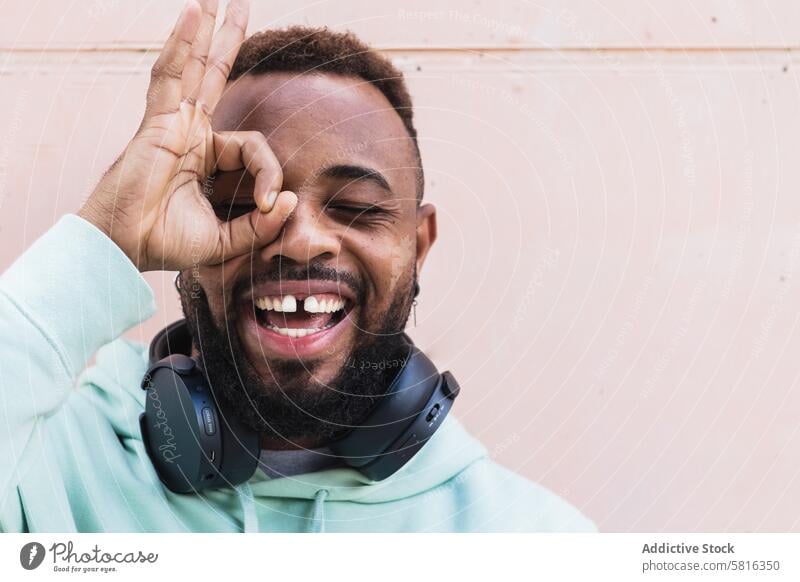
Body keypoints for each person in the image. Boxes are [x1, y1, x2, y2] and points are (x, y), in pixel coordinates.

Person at [0, 0, 596, 533]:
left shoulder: (532, 540)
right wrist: (108, 238)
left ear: (418, 245)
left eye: (357, 209)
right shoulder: (43, 472)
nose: (302, 241)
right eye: (236, 204)